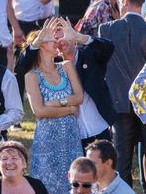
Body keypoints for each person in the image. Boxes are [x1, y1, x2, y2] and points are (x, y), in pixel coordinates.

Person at [98, 0, 146, 188]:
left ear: (124, 2)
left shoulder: (107, 29)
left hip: (119, 102)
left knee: (121, 159)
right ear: (141, 4)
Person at [18, 18, 116, 149]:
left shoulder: (89, 55)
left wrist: (80, 37)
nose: (60, 42)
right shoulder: (52, 65)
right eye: (55, 39)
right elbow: (22, 65)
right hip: (72, 134)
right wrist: (37, 42)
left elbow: (109, 47)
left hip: (99, 126)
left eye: (64, 35)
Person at [24, 24, 84, 194]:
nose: (57, 42)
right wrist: (70, 109)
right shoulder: (32, 76)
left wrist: (56, 103)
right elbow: (39, 112)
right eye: (52, 39)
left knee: (74, 182)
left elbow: (79, 97)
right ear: (41, 44)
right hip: (47, 141)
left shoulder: (66, 66)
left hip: (70, 138)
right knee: (47, 187)